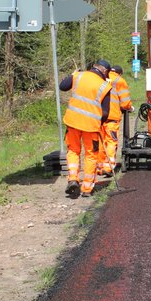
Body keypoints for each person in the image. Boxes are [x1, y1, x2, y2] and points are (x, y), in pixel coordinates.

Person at [60, 59, 112, 197]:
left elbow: (62, 86)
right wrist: (100, 121)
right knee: (91, 155)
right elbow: (106, 112)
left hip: (72, 122)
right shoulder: (105, 86)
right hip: (91, 126)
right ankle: (86, 189)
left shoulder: (78, 76)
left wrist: (72, 75)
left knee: (73, 150)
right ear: (105, 71)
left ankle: (73, 179)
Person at [97, 65, 134, 178]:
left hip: (98, 116)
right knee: (111, 141)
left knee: (100, 141)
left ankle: (99, 167)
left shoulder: (100, 78)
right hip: (111, 117)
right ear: (120, 73)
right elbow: (125, 102)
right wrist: (130, 108)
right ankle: (108, 167)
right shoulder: (119, 81)